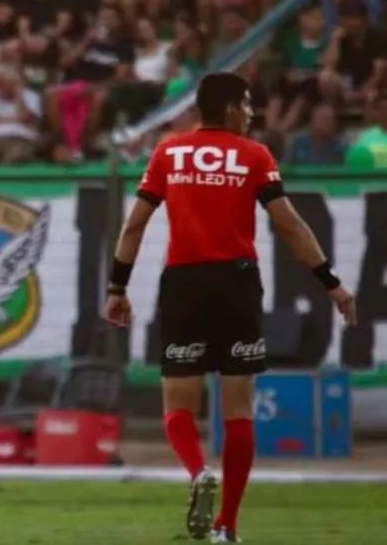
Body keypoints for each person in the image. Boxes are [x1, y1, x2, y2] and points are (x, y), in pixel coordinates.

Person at [103, 72, 358, 543]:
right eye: (246, 104)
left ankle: (199, 471)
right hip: (238, 284)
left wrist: (117, 288)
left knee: (177, 405)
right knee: (237, 410)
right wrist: (332, 284)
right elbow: (290, 225)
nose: (252, 113)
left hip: (184, 282)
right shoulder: (254, 156)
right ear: (227, 109)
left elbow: (134, 226)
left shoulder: (168, 153)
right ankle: (228, 527)